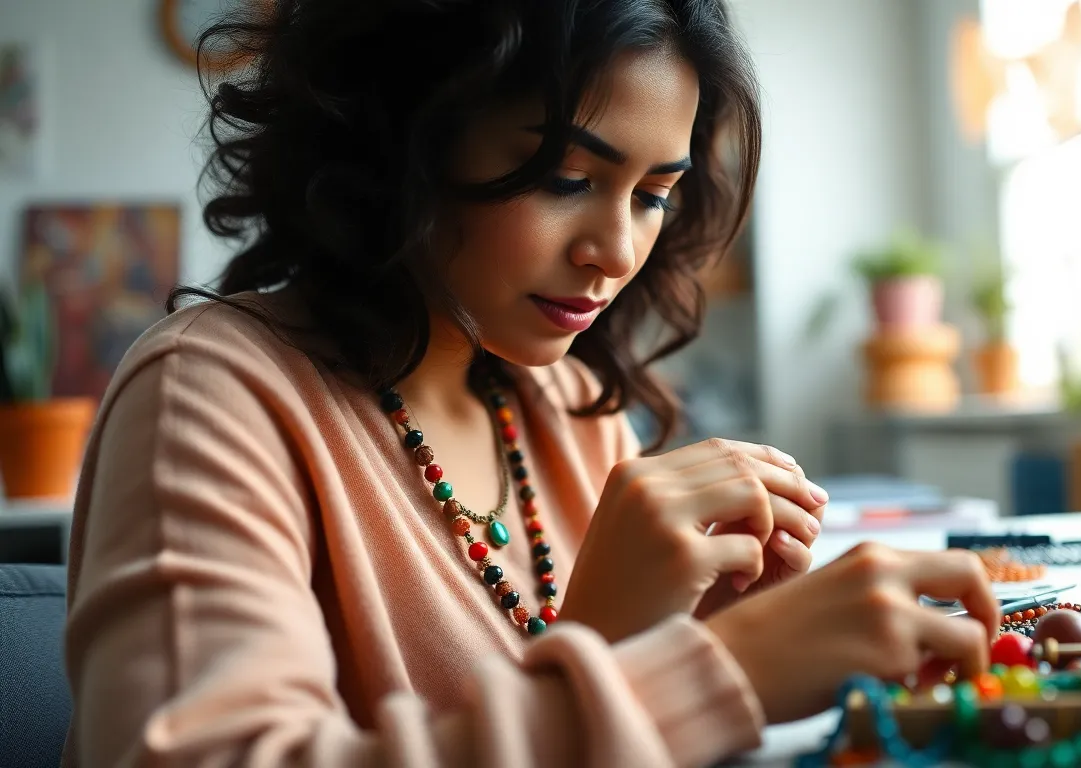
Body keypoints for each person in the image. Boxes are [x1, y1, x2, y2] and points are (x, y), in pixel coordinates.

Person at [60, 1, 999, 766]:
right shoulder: (211, 393)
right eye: (562, 177)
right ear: (401, 140)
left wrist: (699, 631)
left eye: (652, 194)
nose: (617, 250)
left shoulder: (565, 411)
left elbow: (590, 700)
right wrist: (716, 673)